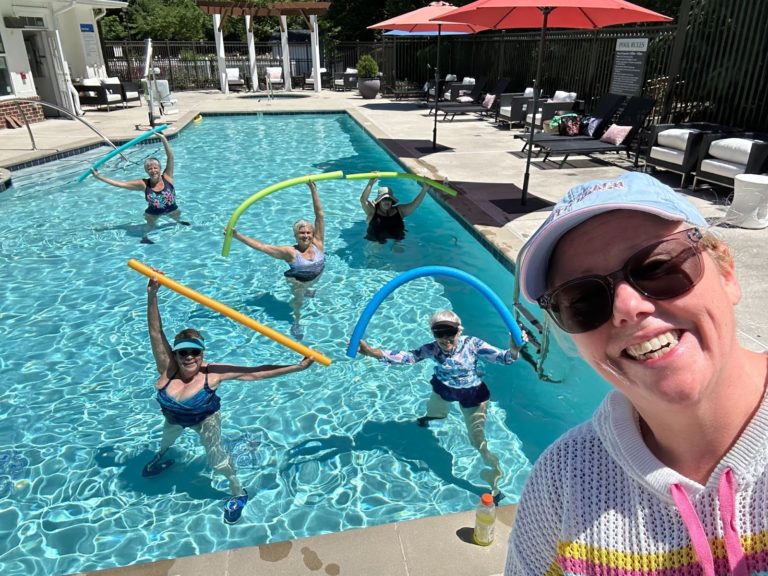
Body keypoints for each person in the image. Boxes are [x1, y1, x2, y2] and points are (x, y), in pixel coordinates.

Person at [505, 172, 768, 574]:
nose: (628, 307)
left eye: (658, 267)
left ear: (727, 272)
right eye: (583, 299)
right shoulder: (563, 480)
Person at [144, 274, 314, 524]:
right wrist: (152, 295)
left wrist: (296, 367)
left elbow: (255, 373)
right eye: (183, 352)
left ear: (202, 353)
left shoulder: (212, 374)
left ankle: (238, 492)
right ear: (175, 354)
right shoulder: (167, 370)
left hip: (205, 420)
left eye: (194, 352)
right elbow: (155, 332)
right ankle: (161, 458)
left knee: (217, 462)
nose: (189, 357)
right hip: (174, 418)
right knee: (164, 442)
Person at [357, 310, 527, 497]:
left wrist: (514, 350)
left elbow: (504, 359)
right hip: (444, 388)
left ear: (459, 331)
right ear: (433, 334)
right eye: (439, 333)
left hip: (473, 394)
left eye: (450, 333)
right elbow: (408, 357)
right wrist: (373, 353)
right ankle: (428, 419)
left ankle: (494, 476)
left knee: (477, 441)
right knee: (434, 413)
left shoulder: (472, 344)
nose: (445, 339)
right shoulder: (432, 349)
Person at [230, 181, 325, 340]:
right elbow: (263, 247)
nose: (306, 236)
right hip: (298, 281)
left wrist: (313, 189)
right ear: (295, 236)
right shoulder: (290, 252)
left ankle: (308, 290)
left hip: (314, 277)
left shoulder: (318, 243)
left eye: (308, 232)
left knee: (308, 288)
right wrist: (237, 236)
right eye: (301, 233)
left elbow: (319, 215)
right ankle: (296, 321)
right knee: (298, 302)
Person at [91, 133, 189, 244]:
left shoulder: (167, 177)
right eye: (149, 169)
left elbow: (170, 157)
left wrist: (162, 138)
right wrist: (99, 177)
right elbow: (121, 184)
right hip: (153, 213)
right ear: (146, 171)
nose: (153, 170)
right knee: (150, 227)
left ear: (160, 168)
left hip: (172, 208)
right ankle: (144, 237)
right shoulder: (143, 184)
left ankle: (179, 223)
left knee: (177, 219)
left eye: (155, 168)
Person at [360, 176, 429, 243]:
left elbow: (415, 204)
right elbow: (363, 200)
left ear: (392, 200)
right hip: (376, 239)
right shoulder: (372, 211)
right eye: (384, 199)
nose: (387, 201)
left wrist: (425, 189)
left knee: (400, 247)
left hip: (397, 240)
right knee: (374, 247)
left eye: (389, 199)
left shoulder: (400, 210)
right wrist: (370, 183)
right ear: (379, 201)